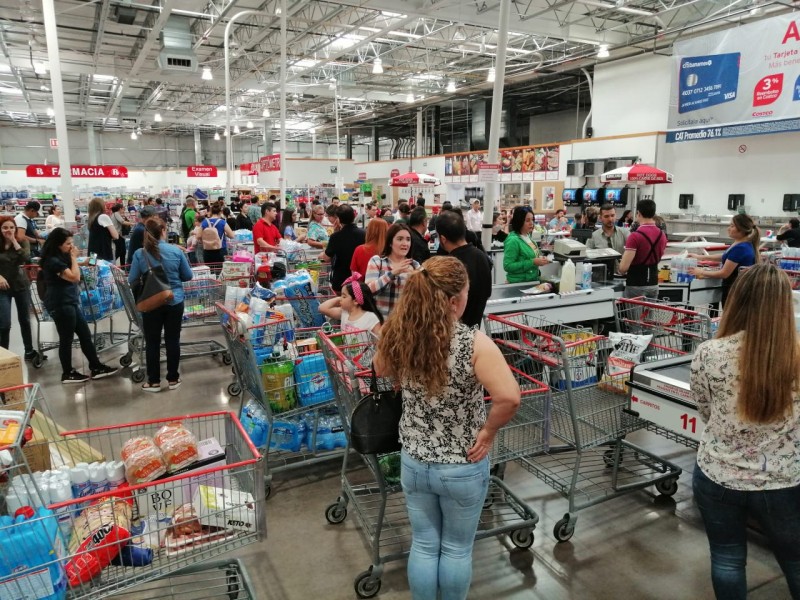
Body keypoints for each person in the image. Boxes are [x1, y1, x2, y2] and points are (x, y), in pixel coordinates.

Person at [374, 256, 521, 600]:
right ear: (454, 300)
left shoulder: (399, 334)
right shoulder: (474, 343)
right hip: (462, 464)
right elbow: (509, 398)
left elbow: (379, 369)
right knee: (455, 550)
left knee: (424, 545)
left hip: (413, 460)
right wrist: (488, 433)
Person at [690, 262, 800, 600]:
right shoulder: (795, 357)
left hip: (718, 474)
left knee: (727, 559)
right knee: (795, 561)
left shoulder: (710, 353)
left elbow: (706, 411)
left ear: (737, 300)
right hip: (783, 480)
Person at [39, 228, 118, 384]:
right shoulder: (52, 261)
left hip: (70, 302)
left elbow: (69, 267)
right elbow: (74, 277)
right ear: (57, 245)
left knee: (85, 334)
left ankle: (96, 366)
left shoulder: (59, 257)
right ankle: (67, 373)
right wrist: (74, 257)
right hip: (61, 303)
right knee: (66, 338)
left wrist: (83, 261)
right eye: (68, 243)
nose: (71, 246)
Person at [128, 218, 193, 392]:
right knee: (173, 340)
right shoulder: (176, 251)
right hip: (174, 300)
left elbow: (131, 279)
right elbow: (188, 276)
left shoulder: (139, 254)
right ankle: (173, 379)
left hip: (151, 303)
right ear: (163, 230)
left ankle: (154, 381)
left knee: (152, 342)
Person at [436, 210, 492, 329]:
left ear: (443, 238)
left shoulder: (449, 264)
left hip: (452, 333)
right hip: (475, 331)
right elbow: (487, 293)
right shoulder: (482, 257)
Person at [690, 214, 758, 307]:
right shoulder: (740, 243)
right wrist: (700, 257)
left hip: (735, 290)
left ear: (742, 229)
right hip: (736, 288)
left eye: (732, 226)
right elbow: (726, 256)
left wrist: (700, 271)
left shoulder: (741, 247)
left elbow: (724, 273)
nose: (728, 228)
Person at [365, 223, 420, 317]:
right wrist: (393, 273)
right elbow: (369, 290)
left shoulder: (415, 265)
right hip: (381, 323)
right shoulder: (377, 261)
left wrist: (416, 277)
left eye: (408, 239)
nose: (405, 243)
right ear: (390, 242)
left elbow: (425, 293)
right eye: (400, 239)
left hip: (406, 323)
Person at [0, 216, 35, 359]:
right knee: (4, 323)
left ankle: (29, 351)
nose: (8, 230)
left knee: (25, 319)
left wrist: (14, 241)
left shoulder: (23, 242)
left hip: (21, 285)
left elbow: (26, 259)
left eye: (11, 227)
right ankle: (4, 355)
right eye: (5, 228)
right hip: (2, 288)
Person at [618, 199, 667, 299]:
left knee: (634, 315)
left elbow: (623, 269)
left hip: (635, 284)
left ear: (638, 213)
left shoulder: (635, 236)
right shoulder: (662, 235)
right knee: (649, 314)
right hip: (654, 283)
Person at [319, 273, 383, 337]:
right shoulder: (344, 313)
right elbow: (322, 308)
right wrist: (340, 298)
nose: (341, 299)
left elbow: (379, 340)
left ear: (355, 301)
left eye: (344, 296)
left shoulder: (371, 318)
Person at [323, 205, 365, 293]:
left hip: (341, 280)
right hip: (360, 278)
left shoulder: (335, 237)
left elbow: (326, 258)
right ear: (354, 216)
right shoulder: (364, 234)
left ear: (338, 219)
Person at [503, 207, 549, 284]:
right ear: (519, 221)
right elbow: (508, 266)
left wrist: (539, 259)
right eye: (527, 220)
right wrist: (533, 262)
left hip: (531, 281)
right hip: (518, 283)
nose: (531, 223)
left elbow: (528, 257)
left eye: (532, 220)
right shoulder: (513, 240)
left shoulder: (528, 237)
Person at [86, 198, 119, 262]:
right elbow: (116, 236)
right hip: (103, 254)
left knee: (93, 270)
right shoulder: (103, 217)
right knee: (106, 271)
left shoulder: (91, 219)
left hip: (93, 254)